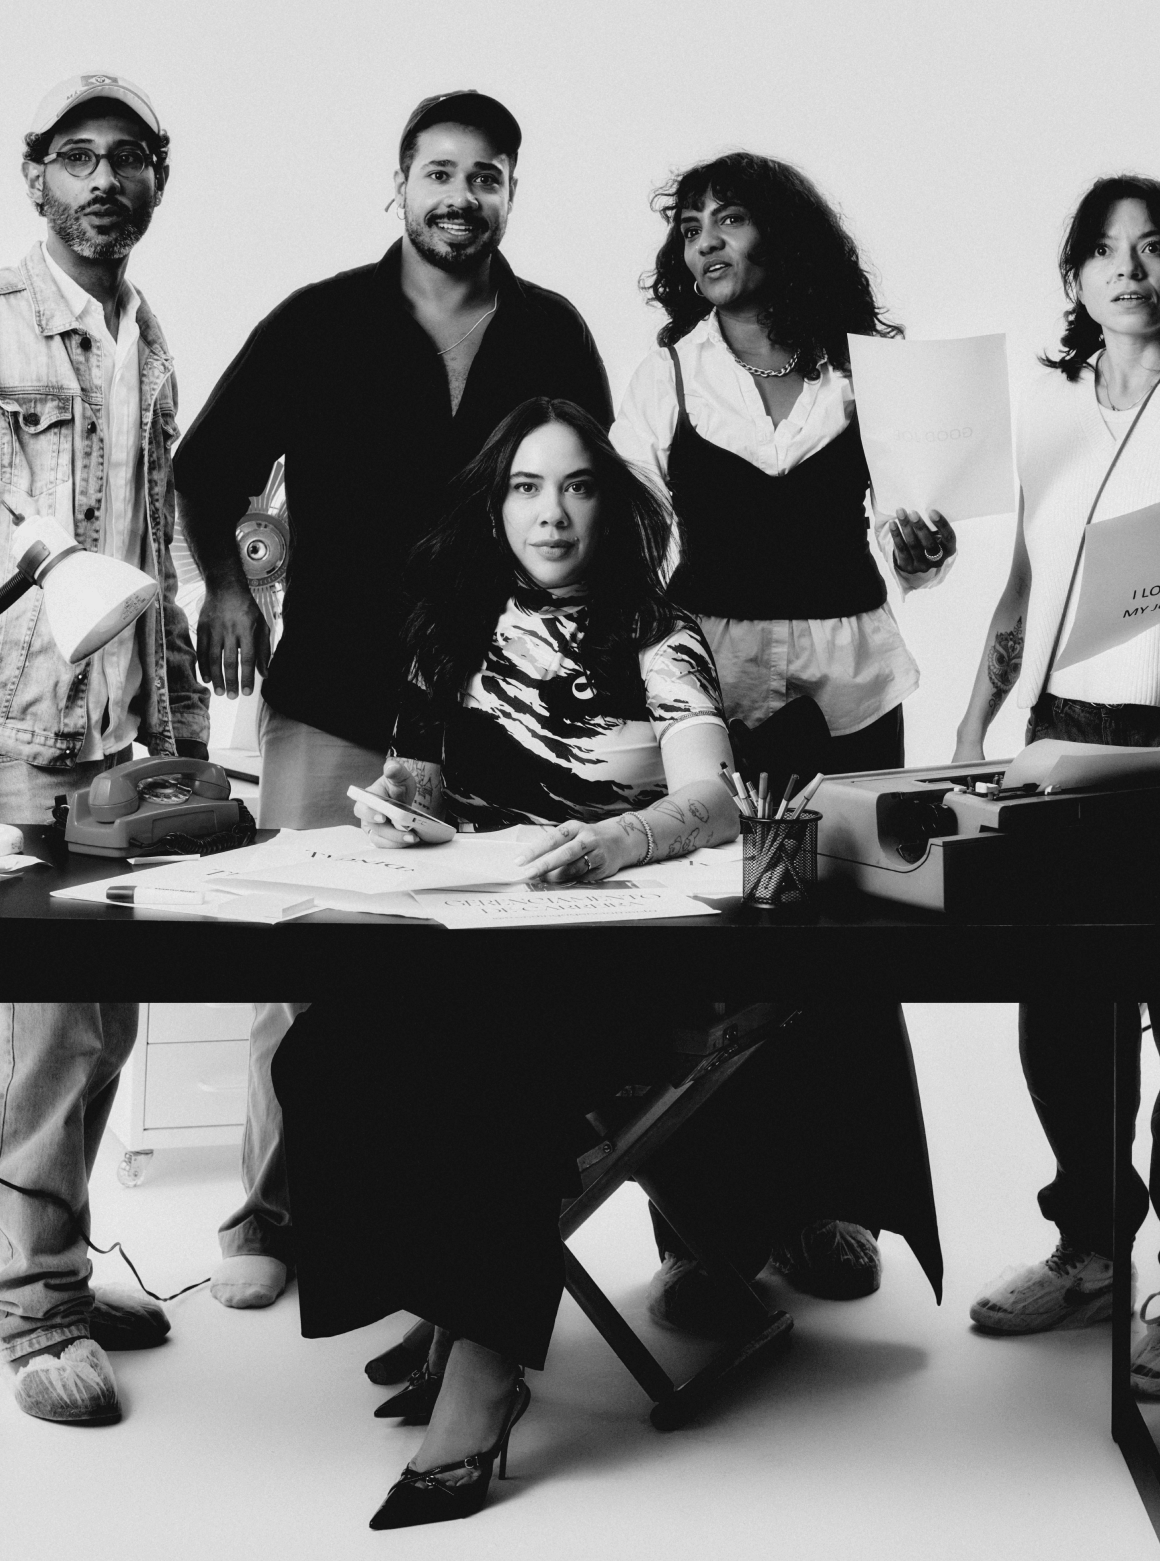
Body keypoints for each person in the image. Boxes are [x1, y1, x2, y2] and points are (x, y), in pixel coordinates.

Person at [173, 90, 613, 1310]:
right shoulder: (318, 319)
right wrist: (228, 590)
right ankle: (268, 1216)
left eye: (485, 176)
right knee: (304, 966)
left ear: (509, 191)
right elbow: (204, 466)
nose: (460, 197)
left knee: (471, 984)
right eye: (439, 172)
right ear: (401, 182)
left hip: (499, 712)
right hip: (332, 692)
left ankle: (434, 1233)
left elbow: (593, 503)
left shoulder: (551, 331)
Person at [272, 398, 744, 1529]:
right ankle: (441, 1293)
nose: (551, 513)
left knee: (493, 1077)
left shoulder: (658, 632)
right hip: (473, 937)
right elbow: (420, 781)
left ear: (609, 503)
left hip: (616, 950)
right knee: (322, 1054)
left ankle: (484, 1375)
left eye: (576, 486)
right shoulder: (456, 629)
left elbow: (715, 797)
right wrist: (398, 808)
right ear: (496, 507)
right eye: (526, 487)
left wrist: (620, 837)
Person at [610, 150, 952, 1323]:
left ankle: (828, 1210)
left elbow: (915, 530)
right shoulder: (665, 374)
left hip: (850, 699)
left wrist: (923, 549)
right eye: (690, 225)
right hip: (712, 700)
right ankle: (706, 1239)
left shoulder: (863, 373)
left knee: (837, 953)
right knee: (711, 958)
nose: (706, 241)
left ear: (783, 238)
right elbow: (627, 543)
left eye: (731, 220)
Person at [0, 73, 208, 1425]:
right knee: (48, 1029)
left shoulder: (146, 329)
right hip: (32, 726)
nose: (104, 180)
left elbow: (154, 538)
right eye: (77, 156)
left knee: (109, 1019)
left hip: (128, 724)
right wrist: (42, 561)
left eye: (129, 157)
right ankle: (35, 1310)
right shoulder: (3, 320)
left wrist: (185, 706)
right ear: (34, 178)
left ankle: (57, 1262)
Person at [953, 174, 1160, 1389]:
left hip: (1150, 744)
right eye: (1105, 250)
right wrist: (976, 719)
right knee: (1061, 1017)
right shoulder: (1046, 414)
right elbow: (1024, 586)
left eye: (1154, 245)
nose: (1130, 269)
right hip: (1050, 732)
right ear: (1074, 277)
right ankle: (1089, 1245)